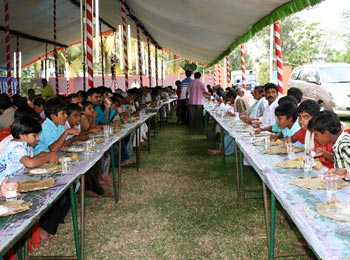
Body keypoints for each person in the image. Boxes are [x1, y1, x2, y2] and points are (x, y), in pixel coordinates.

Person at [290, 100, 333, 168]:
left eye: (306, 117)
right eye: (299, 117)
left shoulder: (324, 134)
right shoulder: (305, 130)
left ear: (315, 117)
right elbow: (292, 138)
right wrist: (287, 139)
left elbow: (337, 158)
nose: (301, 121)